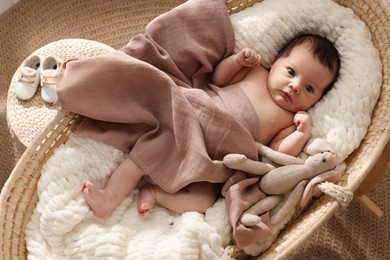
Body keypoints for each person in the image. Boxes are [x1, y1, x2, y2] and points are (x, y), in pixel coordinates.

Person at [80, 34, 340, 219]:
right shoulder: (257, 72)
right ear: (276, 61)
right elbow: (217, 79)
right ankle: (109, 199)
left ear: (318, 98)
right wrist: (237, 61)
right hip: (195, 121)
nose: (295, 86)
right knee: (143, 158)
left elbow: (278, 150)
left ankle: (157, 194)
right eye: (291, 72)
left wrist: (301, 132)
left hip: (219, 158)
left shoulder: (290, 118)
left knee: (203, 200)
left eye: (309, 88)